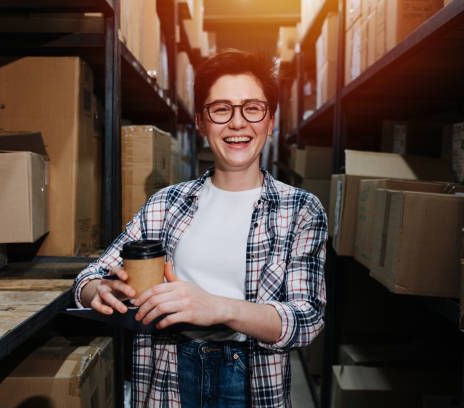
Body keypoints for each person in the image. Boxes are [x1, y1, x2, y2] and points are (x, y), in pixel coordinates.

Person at [73, 49, 327, 408]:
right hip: (168, 374)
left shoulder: (301, 209)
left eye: (252, 108)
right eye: (221, 109)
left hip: (251, 383)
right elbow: (90, 276)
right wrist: (99, 290)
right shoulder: (166, 204)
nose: (237, 123)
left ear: (270, 121)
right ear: (201, 121)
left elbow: (308, 318)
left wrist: (220, 307)